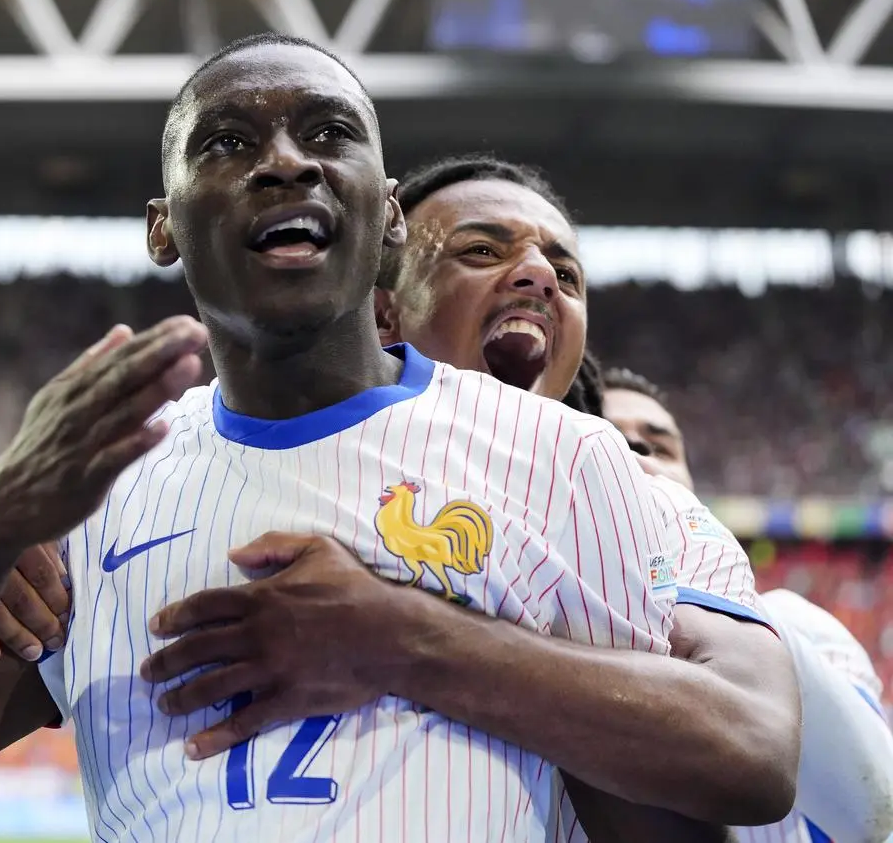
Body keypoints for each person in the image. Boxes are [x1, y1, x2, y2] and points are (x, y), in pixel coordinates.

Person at [0, 34, 681, 841]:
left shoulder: (566, 457)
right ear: (162, 226)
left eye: (330, 134)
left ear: (393, 215)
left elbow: (668, 817)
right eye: (227, 143)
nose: (286, 163)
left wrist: (419, 643)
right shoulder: (95, 485)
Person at [137, 154, 800, 838]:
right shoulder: (248, 471)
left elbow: (751, 747)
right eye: (481, 250)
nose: (541, 274)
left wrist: (400, 636)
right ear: (384, 315)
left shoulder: (655, 508)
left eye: (566, 275)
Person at [601, 367, 893, 843]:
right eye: (609, 437)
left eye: (659, 444)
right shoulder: (536, 620)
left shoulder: (793, 623)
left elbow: (874, 813)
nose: (636, 450)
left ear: (691, 488)